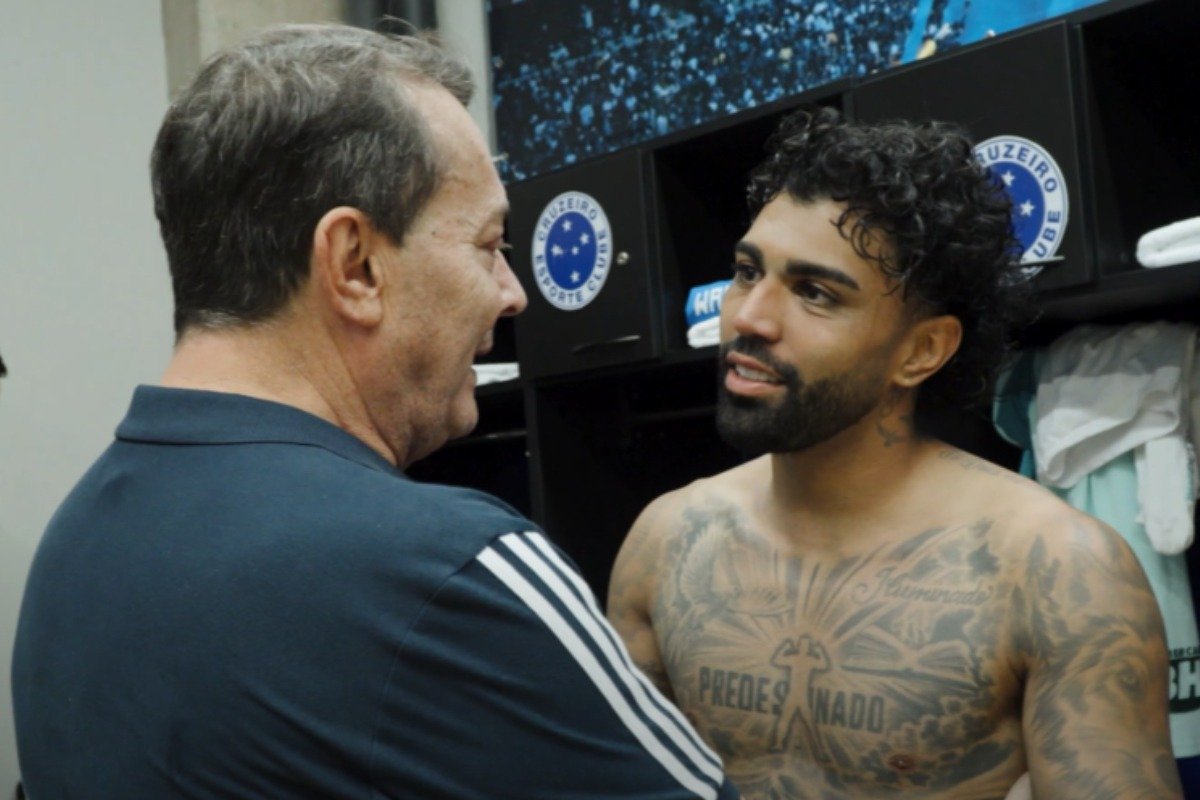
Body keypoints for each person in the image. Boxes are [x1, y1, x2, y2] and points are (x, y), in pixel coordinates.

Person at [11, 24, 738, 800]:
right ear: (354, 265)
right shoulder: (450, 567)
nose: (513, 292)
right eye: (489, 244)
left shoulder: (73, 540)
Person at [608, 106, 1183, 799]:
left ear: (922, 351)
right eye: (746, 271)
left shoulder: (1058, 571)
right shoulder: (666, 543)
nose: (750, 318)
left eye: (814, 293)